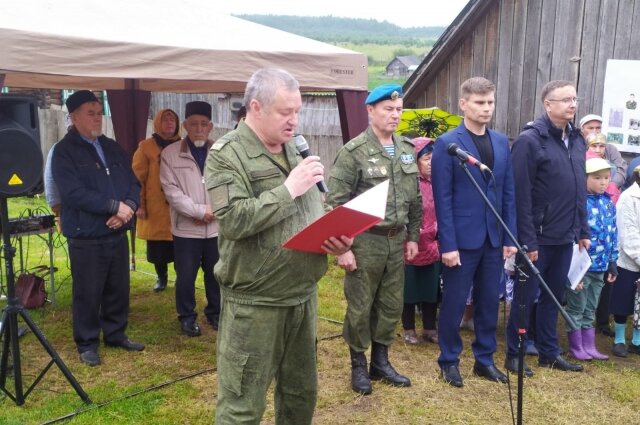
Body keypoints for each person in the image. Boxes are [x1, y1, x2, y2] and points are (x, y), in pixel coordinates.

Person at [205, 68, 352, 424]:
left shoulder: (296, 149)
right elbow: (234, 220)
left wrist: (337, 236)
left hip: (303, 296)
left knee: (301, 396)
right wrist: (288, 189)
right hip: (256, 304)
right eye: (285, 112)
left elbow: (314, 207)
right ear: (255, 107)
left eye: (297, 111)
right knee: (242, 405)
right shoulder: (226, 155)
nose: (294, 121)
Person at [326, 83, 422, 395]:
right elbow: (334, 203)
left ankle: (380, 362)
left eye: (399, 110)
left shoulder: (407, 150)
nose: (395, 115)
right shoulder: (353, 153)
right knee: (360, 306)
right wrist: (343, 248)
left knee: (391, 304)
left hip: (396, 240)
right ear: (370, 111)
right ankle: (358, 365)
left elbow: (415, 199)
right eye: (388, 109)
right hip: (364, 241)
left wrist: (413, 236)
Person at [431, 77, 517, 387]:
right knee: (454, 302)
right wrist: (448, 244)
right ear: (464, 104)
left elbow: (507, 191)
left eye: (490, 102)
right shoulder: (447, 143)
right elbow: (443, 197)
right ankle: (449, 359)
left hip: (493, 237)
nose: (486, 108)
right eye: (480, 103)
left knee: (488, 301)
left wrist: (509, 237)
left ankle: (484, 359)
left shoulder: (500, 141)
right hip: (462, 239)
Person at [51, 90, 144, 367]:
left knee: (118, 287)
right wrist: (113, 206)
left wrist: (126, 207)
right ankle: (87, 342)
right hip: (87, 234)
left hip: (116, 231)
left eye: (98, 112)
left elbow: (132, 183)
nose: (97, 118)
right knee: (88, 291)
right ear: (73, 117)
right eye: (90, 113)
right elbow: (72, 193)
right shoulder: (64, 152)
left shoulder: (113, 147)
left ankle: (115, 334)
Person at [506, 80, 590, 375]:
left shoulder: (578, 140)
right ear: (548, 104)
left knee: (554, 296)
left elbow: (580, 188)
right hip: (537, 236)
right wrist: (527, 241)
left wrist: (583, 230)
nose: (572, 104)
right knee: (525, 297)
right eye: (565, 99)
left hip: (565, 234)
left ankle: (549, 352)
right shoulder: (530, 140)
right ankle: (514, 353)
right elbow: (520, 194)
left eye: (575, 99)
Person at [160, 101, 221, 336]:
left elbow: (229, 185)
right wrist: (198, 211)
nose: (198, 129)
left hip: (215, 228)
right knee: (185, 276)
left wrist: (212, 212)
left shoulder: (220, 153)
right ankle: (186, 316)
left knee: (216, 273)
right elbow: (171, 192)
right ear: (185, 125)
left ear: (211, 127)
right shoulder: (170, 154)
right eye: (193, 124)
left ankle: (215, 313)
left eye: (203, 124)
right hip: (186, 229)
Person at [564, 158, 617, 361]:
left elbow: (613, 233)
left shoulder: (608, 203)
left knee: (591, 307)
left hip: (601, 266)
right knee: (577, 306)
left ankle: (589, 344)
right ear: (584, 178)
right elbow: (571, 238)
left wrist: (612, 261)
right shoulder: (579, 204)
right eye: (597, 178)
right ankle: (575, 346)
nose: (603, 182)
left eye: (606, 178)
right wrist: (572, 273)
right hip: (582, 267)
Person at [132, 109, 181, 292]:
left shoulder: (183, 146)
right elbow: (137, 179)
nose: (169, 123)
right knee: (158, 247)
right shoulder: (146, 147)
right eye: (165, 119)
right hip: (155, 207)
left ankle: (181, 277)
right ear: (158, 123)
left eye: (173, 120)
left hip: (178, 206)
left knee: (180, 245)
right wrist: (140, 205)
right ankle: (162, 277)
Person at [401, 137, 440, 345]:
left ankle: (429, 327)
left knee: (431, 288)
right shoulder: (408, 183)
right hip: (411, 243)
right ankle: (408, 328)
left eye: (434, 158)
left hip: (433, 244)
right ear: (416, 161)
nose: (431, 163)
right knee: (410, 288)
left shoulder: (437, 183)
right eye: (426, 158)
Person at [610, 164, 640, 357]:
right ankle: (619, 339)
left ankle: (637, 340)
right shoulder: (629, 198)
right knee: (624, 300)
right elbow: (628, 235)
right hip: (629, 259)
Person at [579, 113, 627, 190]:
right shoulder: (577, 148)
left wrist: (612, 185)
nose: (595, 131)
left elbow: (621, 169)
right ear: (582, 129)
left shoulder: (610, 149)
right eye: (590, 128)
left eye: (598, 128)